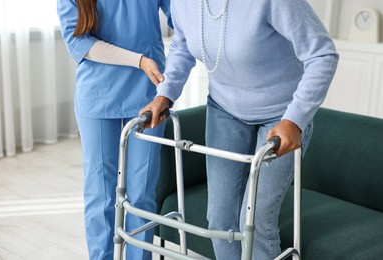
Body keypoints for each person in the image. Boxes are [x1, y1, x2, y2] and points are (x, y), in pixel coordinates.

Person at [140, 0, 339, 259]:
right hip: (224, 110)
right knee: (220, 220)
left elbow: (323, 54)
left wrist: (295, 119)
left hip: (281, 115)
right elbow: (182, 46)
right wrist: (164, 94)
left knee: (256, 220)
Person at [57, 0, 172, 259]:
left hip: (148, 96)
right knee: (101, 194)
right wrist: (140, 60)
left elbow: (185, 20)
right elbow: (78, 42)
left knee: (142, 193)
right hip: (98, 95)